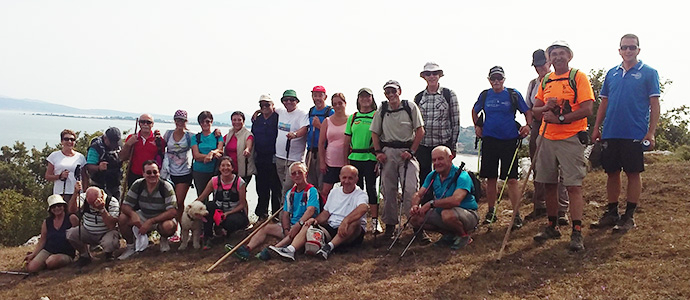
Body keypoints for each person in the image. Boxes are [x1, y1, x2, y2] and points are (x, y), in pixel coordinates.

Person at [591, 33, 661, 233]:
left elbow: (654, 104)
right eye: (625, 47)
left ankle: (629, 216)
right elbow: (603, 102)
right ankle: (612, 212)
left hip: (634, 132)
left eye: (632, 47)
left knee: (632, 173)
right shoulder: (611, 73)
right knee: (611, 172)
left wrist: (651, 132)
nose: (628, 51)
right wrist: (597, 128)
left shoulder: (649, 72)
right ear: (619, 50)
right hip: (611, 131)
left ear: (638, 50)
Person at [531, 41, 594, 252]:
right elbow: (535, 109)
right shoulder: (546, 79)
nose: (557, 57)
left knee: (573, 185)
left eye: (561, 53)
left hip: (570, 137)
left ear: (569, 56)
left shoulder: (578, 77)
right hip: (546, 137)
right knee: (548, 182)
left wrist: (560, 118)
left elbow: (587, 109)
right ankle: (552, 225)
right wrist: (545, 107)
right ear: (549, 58)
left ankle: (576, 231)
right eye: (554, 54)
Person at [471, 66, 532, 229]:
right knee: (490, 178)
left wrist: (528, 126)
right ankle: (491, 212)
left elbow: (527, 111)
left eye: (499, 78)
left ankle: (516, 214)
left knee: (511, 180)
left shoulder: (513, 94)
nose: (496, 81)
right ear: (489, 80)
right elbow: (474, 110)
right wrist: (477, 126)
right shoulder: (485, 95)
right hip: (489, 140)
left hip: (509, 140)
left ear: (504, 79)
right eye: (493, 79)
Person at [270, 165, 368, 261]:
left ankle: (328, 248)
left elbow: (363, 207)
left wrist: (346, 221)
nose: (346, 181)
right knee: (308, 223)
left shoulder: (361, 194)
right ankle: (291, 249)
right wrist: (315, 220)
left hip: (351, 231)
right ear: (339, 178)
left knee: (355, 222)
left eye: (350, 178)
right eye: (344, 178)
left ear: (356, 179)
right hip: (331, 227)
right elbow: (326, 213)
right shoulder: (334, 192)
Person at [229, 162, 320, 261]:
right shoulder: (290, 193)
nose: (297, 175)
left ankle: (273, 250)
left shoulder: (312, 191)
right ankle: (247, 249)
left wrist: (298, 224)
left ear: (306, 174)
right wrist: (286, 229)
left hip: (305, 225)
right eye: (294, 173)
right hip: (293, 225)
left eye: (300, 172)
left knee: (297, 230)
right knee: (266, 228)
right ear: (291, 176)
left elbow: (311, 210)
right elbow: (285, 214)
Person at [370, 80, 425, 238]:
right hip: (388, 153)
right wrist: (378, 152)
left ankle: (416, 227)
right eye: (388, 92)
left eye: (393, 91)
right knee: (388, 191)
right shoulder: (382, 109)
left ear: (399, 91)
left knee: (411, 190)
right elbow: (374, 132)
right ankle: (389, 227)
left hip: (407, 153)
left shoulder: (410, 107)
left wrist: (412, 151)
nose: (391, 95)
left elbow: (420, 131)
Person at [524, 50, 570, 224]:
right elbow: (529, 107)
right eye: (536, 65)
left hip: (558, 126)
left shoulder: (558, 79)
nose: (540, 68)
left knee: (560, 168)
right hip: (538, 126)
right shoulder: (532, 84)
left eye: (542, 64)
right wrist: (529, 124)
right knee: (538, 167)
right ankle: (540, 205)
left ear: (549, 62)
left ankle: (562, 209)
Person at [409, 146, 479, 250]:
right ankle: (449, 235)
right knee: (415, 219)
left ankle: (464, 236)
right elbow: (419, 194)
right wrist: (415, 206)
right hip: (442, 212)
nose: (437, 163)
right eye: (434, 160)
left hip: (467, 213)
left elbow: (456, 200)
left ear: (450, 158)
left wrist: (431, 204)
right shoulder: (433, 175)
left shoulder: (462, 176)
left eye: (440, 159)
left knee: (447, 214)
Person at [118, 160, 177, 260]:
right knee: (122, 218)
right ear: (143, 174)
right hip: (143, 215)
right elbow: (125, 206)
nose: (152, 175)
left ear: (159, 172)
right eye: (149, 172)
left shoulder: (166, 186)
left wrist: (151, 221)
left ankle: (164, 239)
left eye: (155, 172)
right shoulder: (138, 184)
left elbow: (172, 211)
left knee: (169, 226)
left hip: (161, 218)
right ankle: (131, 247)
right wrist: (133, 214)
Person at [415, 62, 460, 182]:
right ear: (424, 76)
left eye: (434, 73)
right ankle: (426, 200)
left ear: (439, 75)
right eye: (428, 74)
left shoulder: (449, 95)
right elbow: (415, 124)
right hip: (423, 145)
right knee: (424, 178)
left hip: (443, 143)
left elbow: (455, 122)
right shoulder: (419, 98)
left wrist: (453, 146)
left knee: (444, 176)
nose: (431, 76)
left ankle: (444, 200)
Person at [344, 88, 381, 233]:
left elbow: (381, 138)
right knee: (355, 190)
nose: (365, 99)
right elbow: (346, 141)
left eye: (368, 96)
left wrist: (379, 160)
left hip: (370, 157)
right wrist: (345, 162)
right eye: (362, 97)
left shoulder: (377, 116)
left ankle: (375, 221)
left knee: (371, 189)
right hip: (354, 158)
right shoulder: (353, 117)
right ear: (358, 99)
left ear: (372, 98)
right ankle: (357, 220)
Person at [194, 156, 249, 250]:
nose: (225, 168)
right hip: (218, 213)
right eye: (222, 165)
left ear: (232, 168)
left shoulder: (240, 182)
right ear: (219, 168)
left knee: (231, 222)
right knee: (209, 205)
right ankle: (208, 236)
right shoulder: (214, 181)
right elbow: (202, 197)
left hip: (233, 213)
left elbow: (242, 204)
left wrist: (228, 213)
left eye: (228, 165)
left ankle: (228, 234)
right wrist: (191, 207)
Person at [66, 184, 120, 266]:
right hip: (88, 231)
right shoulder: (83, 198)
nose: (92, 205)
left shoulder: (112, 202)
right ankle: (85, 255)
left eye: (93, 202)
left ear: (101, 196)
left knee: (111, 241)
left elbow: (111, 225)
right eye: (90, 203)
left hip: (106, 232)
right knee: (71, 234)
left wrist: (102, 210)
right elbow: (72, 210)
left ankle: (109, 254)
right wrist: (75, 193)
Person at [24, 195, 75, 272]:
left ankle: (49, 263)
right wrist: (33, 254)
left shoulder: (71, 218)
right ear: (50, 209)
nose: (57, 208)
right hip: (48, 250)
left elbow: (79, 237)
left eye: (59, 205)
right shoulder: (47, 222)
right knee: (32, 268)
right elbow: (42, 240)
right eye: (53, 207)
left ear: (64, 206)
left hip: (66, 252)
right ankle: (41, 261)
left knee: (51, 262)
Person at [251, 94, 282, 222]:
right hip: (260, 157)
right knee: (261, 187)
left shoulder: (278, 117)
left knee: (276, 188)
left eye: (267, 104)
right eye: (261, 105)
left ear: (273, 105)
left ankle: (276, 216)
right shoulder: (257, 120)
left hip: (274, 157)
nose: (264, 107)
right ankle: (262, 215)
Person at [161, 109, 195, 222]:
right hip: (168, 172)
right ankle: (173, 229)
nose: (180, 123)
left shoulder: (190, 136)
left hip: (184, 172)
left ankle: (181, 228)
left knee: (179, 202)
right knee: (169, 202)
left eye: (182, 120)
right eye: (178, 120)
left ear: (186, 121)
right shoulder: (168, 134)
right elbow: (161, 148)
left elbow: (198, 147)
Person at [275, 89, 309, 196]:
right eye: (285, 100)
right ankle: (286, 209)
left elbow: (304, 128)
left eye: (291, 100)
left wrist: (295, 134)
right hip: (279, 157)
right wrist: (258, 111)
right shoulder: (280, 111)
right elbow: (269, 108)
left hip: (294, 159)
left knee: (287, 188)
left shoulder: (302, 114)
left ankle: (284, 211)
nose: (288, 102)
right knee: (282, 187)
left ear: (296, 101)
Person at [121, 114, 165, 188]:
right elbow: (122, 157)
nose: (145, 124)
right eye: (142, 122)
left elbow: (163, 158)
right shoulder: (132, 138)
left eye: (148, 122)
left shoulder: (159, 140)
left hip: (151, 176)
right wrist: (128, 144)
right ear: (139, 123)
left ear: (152, 124)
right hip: (134, 175)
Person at [318, 93, 349, 199]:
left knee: (345, 189)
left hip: (346, 161)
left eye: (340, 103)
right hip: (330, 161)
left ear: (345, 103)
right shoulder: (327, 121)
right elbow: (321, 143)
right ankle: (326, 212)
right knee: (326, 190)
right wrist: (322, 162)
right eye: (334, 104)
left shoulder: (351, 120)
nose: (337, 106)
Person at [191, 111, 224, 203]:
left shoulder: (217, 136)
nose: (205, 124)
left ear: (212, 122)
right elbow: (196, 156)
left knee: (217, 198)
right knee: (202, 198)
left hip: (215, 171)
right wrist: (212, 156)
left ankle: (214, 217)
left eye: (207, 121)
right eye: (202, 122)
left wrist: (211, 153)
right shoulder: (196, 138)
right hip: (199, 172)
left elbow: (220, 150)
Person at [306, 85, 334, 189]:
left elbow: (334, 133)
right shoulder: (311, 111)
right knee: (310, 184)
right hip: (310, 151)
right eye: (314, 95)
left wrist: (319, 126)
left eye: (319, 95)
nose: (317, 98)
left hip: (323, 151)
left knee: (322, 184)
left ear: (325, 97)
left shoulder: (330, 112)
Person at [45, 129, 86, 201]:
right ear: (61, 141)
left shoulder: (80, 157)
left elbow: (84, 177)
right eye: (66, 139)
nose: (69, 142)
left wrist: (84, 192)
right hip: (60, 193)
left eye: (72, 139)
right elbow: (48, 176)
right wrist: (60, 176)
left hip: (76, 193)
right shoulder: (54, 156)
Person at [86, 127, 123, 199]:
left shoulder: (119, 145)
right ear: (105, 138)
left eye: (116, 142)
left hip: (115, 183)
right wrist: (98, 168)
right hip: (99, 183)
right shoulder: (96, 147)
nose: (114, 144)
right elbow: (89, 166)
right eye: (111, 142)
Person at [223, 111, 255, 184]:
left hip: (243, 172)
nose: (237, 122)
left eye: (239, 120)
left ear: (243, 121)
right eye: (234, 120)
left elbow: (249, 143)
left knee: (239, 193)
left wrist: (247, 149)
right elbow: (220, 142)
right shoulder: (229, 134)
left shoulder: (247, 134)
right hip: (229, 171)